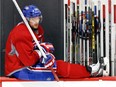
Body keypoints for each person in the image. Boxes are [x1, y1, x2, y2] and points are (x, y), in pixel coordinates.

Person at [5, 5, 109, 81]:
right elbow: (28, 60)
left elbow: (38, 49)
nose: (36, 21)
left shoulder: (38, 29)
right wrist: (42, 52)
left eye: (38, 18)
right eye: (33, 19)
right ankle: (91, 71)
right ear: (26, 19)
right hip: (19, 69)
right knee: (58, 67)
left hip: (28, 64)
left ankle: (89, 70)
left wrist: (46, 55)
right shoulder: (20, 33)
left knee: (57, 64)